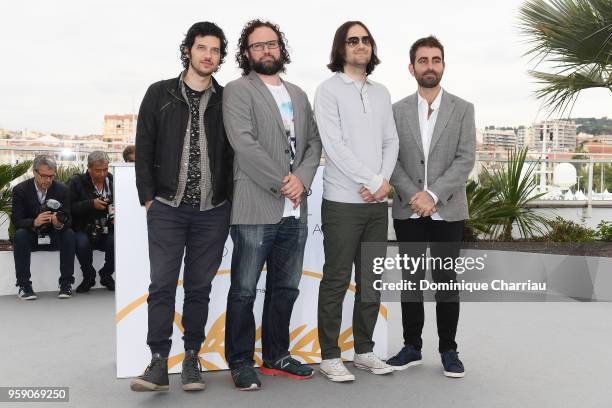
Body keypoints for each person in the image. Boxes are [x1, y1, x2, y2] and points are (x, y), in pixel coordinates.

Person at [130, 21, 233, 393]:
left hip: (213, 210)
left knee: (199, 288)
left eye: (216, 50)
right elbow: (144, 147)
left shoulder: (226, 99)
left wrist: (231, 201)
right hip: (167, 208)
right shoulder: (160, 93)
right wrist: (148, 197)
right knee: (161, 286)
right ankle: (158, 362)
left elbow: (235, 153)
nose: (208, 55)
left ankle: (192, 358)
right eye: (202, 47)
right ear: (188, 49)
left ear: (221, 57)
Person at [222, 19, 322, 391]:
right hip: (256, 205)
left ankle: (277, 355)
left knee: (286, 288)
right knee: (244, 289)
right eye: (258, 45)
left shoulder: (298, 92)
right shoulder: (238, 90)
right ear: (246, 53)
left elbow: (313, 144)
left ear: (281, 48)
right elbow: (243, 144)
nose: (266, 50)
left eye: (272, 43)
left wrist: (303, 181)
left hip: (295, 210)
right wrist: (285, 183)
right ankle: (240, 361)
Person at [387, 36, 476, 378]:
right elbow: (391, 159)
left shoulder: (463, 109)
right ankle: (412, 347)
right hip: (409, 209)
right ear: (412, 68)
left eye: (435, 60)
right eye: (422, 60)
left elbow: (465, 159)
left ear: (443, 65)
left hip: (447, 209)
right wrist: (415, 195)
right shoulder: (395, 111)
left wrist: (433, 195)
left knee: (445, 282)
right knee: (411, 281)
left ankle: (449, 350)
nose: (429, 66)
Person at [314, 21, 398, 382]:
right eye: (353, 40)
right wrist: (373, 180)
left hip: (376, 205)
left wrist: (380, 184)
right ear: (341, 48)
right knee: (335, 279)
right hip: (342, 202)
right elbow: (334, 146)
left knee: (371, 280)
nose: (360, 45)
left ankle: (364, 351)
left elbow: (391, 141)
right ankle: (330, 355)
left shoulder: (381, 92)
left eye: (366, 40)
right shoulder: (328, 90)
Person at [11, 154, 75, 299]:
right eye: (44, 176)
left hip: (53, 235)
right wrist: (34, 222)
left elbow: (69, 219)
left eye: (51, 176)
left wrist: (58, 223)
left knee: (69, 234)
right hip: (31, 235)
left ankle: (66, 284)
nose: (48, 180)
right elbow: (17, 220)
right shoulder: (20, 190)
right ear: (34, 172)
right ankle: (24, 285)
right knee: (20, 235)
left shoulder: (62, 190)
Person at [67, 151, 115, 292]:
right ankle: (89, 276)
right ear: (88, 168)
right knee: (81, 243)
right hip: (83, 228)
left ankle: (106, 275)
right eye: (97, 170)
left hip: (107, 228)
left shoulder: (114, 181)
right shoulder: (76, 182)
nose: (102, 174)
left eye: (105, 169)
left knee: (118, 241)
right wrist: (91, 204)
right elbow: (68, 207)